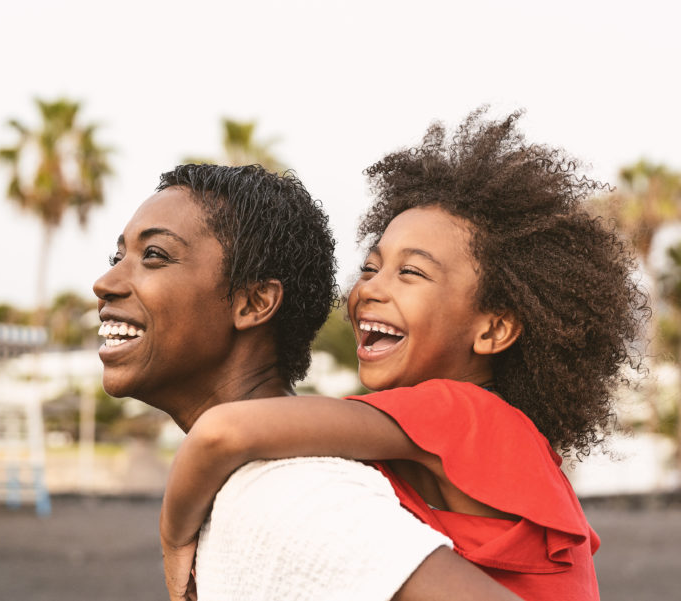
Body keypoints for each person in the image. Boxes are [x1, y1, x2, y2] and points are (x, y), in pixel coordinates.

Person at [161, 110, 648, 600]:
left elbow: (223, 432)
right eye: (371, 267)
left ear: (494, 328)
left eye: (411, 273)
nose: (370, 287)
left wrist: (174, 539)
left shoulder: (458, 412)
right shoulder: (482, 431)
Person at [93, 163, 521, 601]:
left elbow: (220, 434)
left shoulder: (301, 500)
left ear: (255, 302)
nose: (104, 283)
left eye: (154, 255)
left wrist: (172, 536)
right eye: (117, 256)